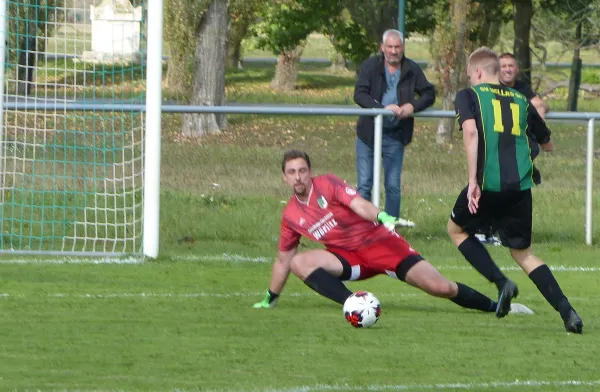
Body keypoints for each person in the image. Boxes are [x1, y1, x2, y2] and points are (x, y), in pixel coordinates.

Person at [253, 149, 503, 317]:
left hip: (380, 244)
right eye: (292, 172)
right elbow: (284, 260)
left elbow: (359, 205)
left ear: (310, 172)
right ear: (284, 177)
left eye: (302, 170)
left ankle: (495, 307)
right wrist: (270, 297)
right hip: (349, 258)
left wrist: (381, 216)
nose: (298, 177)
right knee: (299, 262)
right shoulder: (290, 215)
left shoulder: (327, 184)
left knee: (441, 287)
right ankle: (355, 305)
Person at [447, 47, 583, 334]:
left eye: (471, 74)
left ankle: (501, 283)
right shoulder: (522, 99)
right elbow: (547, 142)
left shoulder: (469, 95)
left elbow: (470, 132)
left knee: (457, 230)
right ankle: (567, 311)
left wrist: (473, 181)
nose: (470, 79)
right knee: (523, 253)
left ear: (479, 72)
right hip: (519, 186)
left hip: (486, 184)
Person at [353, 29, 435, 224]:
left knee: (393, 186)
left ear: (403, 48)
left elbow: (429, 93)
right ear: (382, 48)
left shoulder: (411, 69)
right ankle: (361, 227)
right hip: (368, 134)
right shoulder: (371, 66)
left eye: (397, 47)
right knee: (364, 184)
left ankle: (390, 230)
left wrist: (412, 106)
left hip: (395, 135)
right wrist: (381, 109)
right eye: (389, 47)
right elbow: (359, 94)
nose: (393, 51)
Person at [475, 53, 550, 245]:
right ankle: (483, 229)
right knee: (490, 188)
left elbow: (539, 105)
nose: (508, 69)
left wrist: (538, 127)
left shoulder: (522, 89)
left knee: (511, 191)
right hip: (493, 150)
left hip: (517, 150)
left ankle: (505, 232)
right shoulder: (489, 89)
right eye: (504, 66)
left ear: (517, 69)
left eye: (511, 65)